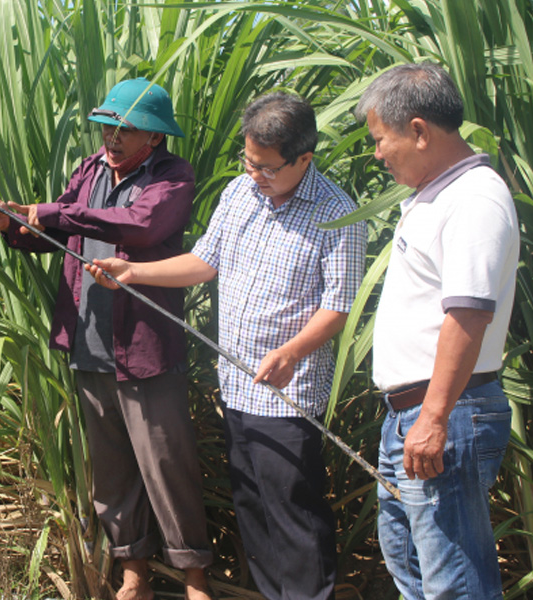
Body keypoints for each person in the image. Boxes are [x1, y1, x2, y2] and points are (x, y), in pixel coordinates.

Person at [88, 92, 367, 600]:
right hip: (237, 386)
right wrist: (134, 272)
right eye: (249, 161)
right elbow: (203, 262)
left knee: (293, 513)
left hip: (287, 392)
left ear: (304, 158)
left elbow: (338, 308)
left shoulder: (338, 215)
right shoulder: (240, 193)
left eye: (267, 167)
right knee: (254, 510)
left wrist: (291, 353)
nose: (255, 174)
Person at [0, 78, 212, 600]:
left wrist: (49, 211)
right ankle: (135, 575)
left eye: (124, 129)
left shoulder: (171, 176)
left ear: (153, 137)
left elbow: (140, 225)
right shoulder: (90, 169)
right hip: (90, 344)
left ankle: (196, 580)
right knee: (112, 473)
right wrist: (11, 222)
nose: (111, 137)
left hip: (144, 349)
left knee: (167, 467)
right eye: (106, 126)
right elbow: (57, 230)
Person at [354, 62, 519, 599]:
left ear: (419, 131)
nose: (377, 153)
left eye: (382, 139)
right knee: (413, 569)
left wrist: (433, 416)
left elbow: (468, 314)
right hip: (415, 415)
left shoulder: (473, 198)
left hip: (445, 413)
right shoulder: (436, 195)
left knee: (454, 582)